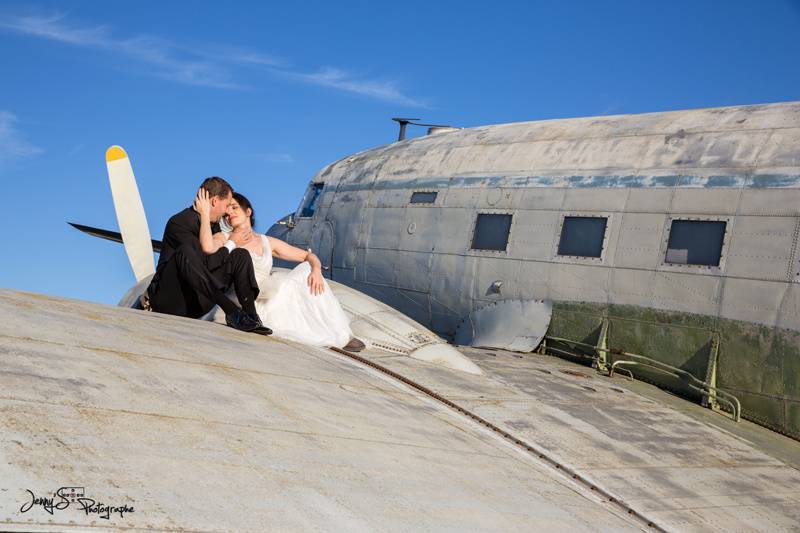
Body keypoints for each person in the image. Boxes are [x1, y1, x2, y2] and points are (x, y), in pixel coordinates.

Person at [195, 189, 365, 352]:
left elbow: (307, 256)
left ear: (248, 212)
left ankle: (340, 332)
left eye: (234, 207)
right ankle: (251, 318)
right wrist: (206, 217)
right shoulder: (224, 238)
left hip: (267, 295)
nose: (230, 213)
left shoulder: (267, 241)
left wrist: (316, 270)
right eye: (226, 212)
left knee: (307, 271)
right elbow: (208, 247)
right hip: (244, 300)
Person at [145, 177, 271, 335]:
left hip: (197, 299)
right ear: (214, 201)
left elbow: (216, 261)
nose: (227, 211)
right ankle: (233, 313)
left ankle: (251, 316)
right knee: (186, 251)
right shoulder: (179, 223)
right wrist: (231, 243)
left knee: (240, 255)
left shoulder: (214, 226)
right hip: (170, 300)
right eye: (226, 205)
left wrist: (232, 246)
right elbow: (202, 263)